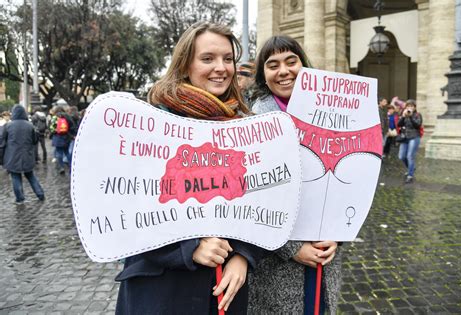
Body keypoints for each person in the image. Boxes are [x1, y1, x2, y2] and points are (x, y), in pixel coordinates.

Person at [115, 22, 262, 315]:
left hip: (223, 291)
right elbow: (124, 211)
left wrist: (244, 256)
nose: (221, 67)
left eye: (228, 59)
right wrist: (188, 247)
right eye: (207, 58)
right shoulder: (150, 125)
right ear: (185, 65)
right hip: (163, 291)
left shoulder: (246, 127)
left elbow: (263, 203)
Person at [248, 35, 341, 314]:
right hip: (277, 267)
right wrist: (291, 249)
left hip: (326, 256)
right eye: (273, 64)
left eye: (291, 61)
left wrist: (338, 235)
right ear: (263, 75)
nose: (284, 71)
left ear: (304, 65)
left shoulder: (334, 115)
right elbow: (249, 199)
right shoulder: (250, 123)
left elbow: (350, 185)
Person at [0, 105, 45, 204]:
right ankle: (40, 194)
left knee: (15, 176)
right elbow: (34, 141)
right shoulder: (30, 125)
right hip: (27, 155)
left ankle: (20, 198)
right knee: (30, 175)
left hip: (12, 156)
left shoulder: (8, 126)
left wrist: (1, 158)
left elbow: (2, 143)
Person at [397, 99, 422, 183]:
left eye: (412, 106)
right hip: (405, 137)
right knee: (401, 156)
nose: (410, 107)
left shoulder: (417, 115)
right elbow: (399, 124)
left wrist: (411, 116)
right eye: (408, 106)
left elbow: (418, 125)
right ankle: (411, 167)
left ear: (414, 107)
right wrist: (403, 117)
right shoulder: (404, 114)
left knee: (410, 156)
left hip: (414, 137)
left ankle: (410, 175)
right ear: (406, 107)